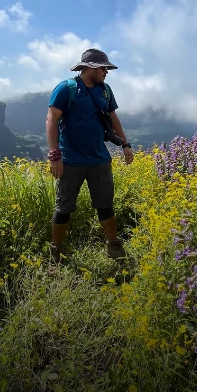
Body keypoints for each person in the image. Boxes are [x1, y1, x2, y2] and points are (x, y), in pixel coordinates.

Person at [46, 48, 134, 264]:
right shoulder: (66, 89)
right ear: (91, 68)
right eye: (104, 68)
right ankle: (56, 250)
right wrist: (55, 156)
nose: (106, 72)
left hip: (99, 160)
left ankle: (113, 246)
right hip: (70, 161)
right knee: (63, 208)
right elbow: (51, 120)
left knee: (105, 205)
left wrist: (125, 144)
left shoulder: (105, 90)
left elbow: (114, 118)